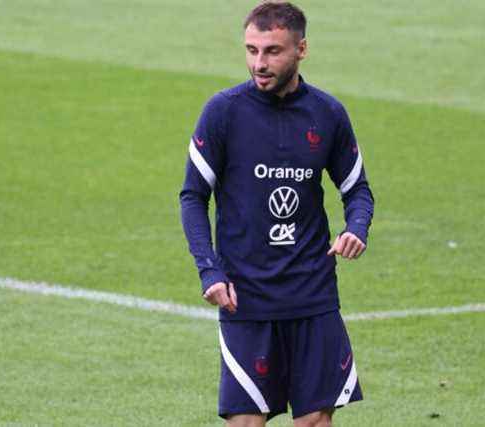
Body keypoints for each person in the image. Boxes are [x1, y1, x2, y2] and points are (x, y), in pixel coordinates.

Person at [180, 2, 374, 426]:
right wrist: (208, 270)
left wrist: (356, 228)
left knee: (314, 422)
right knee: (246, 421)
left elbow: (356, 189)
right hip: (246, 297)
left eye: (272, 52)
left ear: (301, 49)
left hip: (312, 295)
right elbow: (193, 196)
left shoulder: (327, 114)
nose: (259, 63)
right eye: (251, 50)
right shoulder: (224, 112)